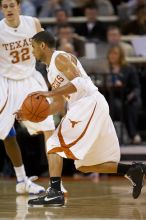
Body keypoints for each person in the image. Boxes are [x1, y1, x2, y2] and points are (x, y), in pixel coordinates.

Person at [19, 31, 146, 207]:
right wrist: (30, 115)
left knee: (54, 144)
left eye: (33, 47)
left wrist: (48, 92)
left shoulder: (60, 57)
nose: (32, 52)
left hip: (88, 103)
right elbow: (58, 104)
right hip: (86, 107)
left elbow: (79, 83)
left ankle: (55, 192)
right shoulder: (50, 72)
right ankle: (133, 170)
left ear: (42, 45)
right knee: (85, 165)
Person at [0, 0, 66, 195]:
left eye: (12, 5)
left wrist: (54, 75)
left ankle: (56, 183)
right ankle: (22, 179)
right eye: (4, 6)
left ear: (19, 6)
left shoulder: (33, 23)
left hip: (30, 78)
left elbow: (46, 51)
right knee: (5, 132)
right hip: (6, 81)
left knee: (49, 129)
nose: (9, 9)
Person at [107, 45, 142, 144]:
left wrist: (132, 94)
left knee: (132, 104)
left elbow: (136, 86)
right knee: (117, 105)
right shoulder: (105, 68)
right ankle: (126, 136)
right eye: (111, 53)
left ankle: (134, 135)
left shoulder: (128, 68)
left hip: (128, 95)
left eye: (115, 53)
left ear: (121, 55)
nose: (112, 56)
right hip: (112, 96)